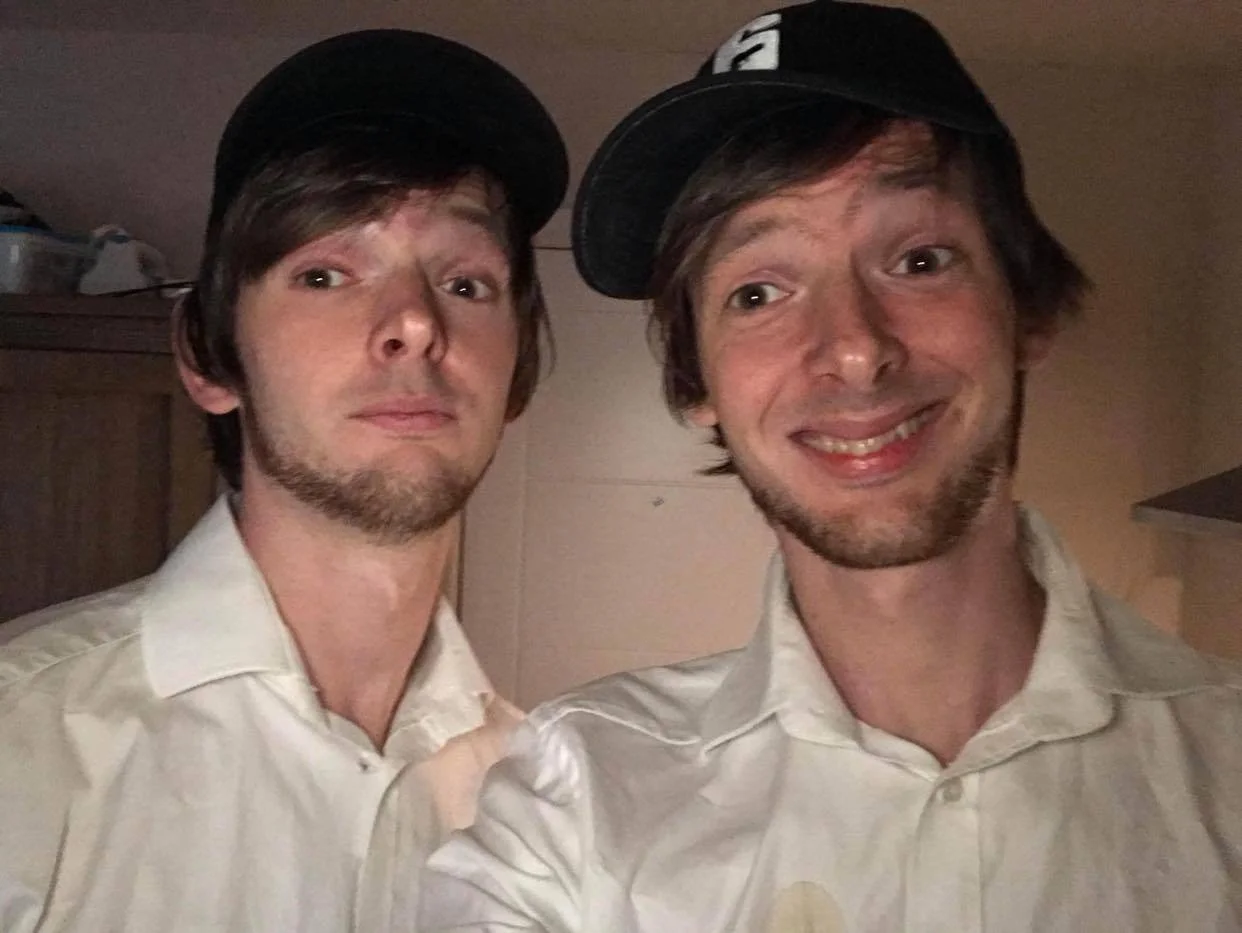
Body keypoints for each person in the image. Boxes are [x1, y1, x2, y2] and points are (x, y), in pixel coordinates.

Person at [421, 2, 1242, 929]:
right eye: (759, 290)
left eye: (920, 259)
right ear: (698, 384)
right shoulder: (577, 801)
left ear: (1031, 310)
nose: (853, 349)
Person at [0, 28, 566, 933]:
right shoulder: (18, 745)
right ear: (208, 356)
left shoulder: (551, 802)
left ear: (517, 377)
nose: (415, 323)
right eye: (326, 273)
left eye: (465, 284)